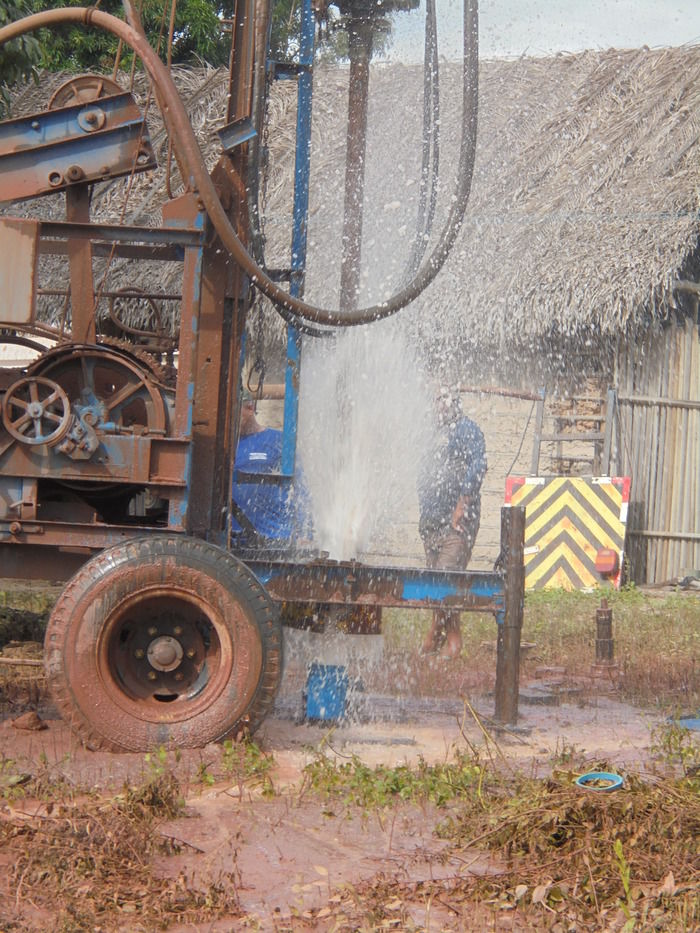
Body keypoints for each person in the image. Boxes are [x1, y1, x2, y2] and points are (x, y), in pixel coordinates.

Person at [417, 387, 487, 659]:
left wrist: (462, 503)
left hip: (458, 522)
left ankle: (450, 640)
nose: (441, 406)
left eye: (446, 400)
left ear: (456, 403)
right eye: (437, 400)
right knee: (438, 584)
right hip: (432, 523)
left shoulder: (466, 429)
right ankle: (437, 633)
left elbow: (478, 465)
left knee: (446, 576)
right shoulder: (429, 435)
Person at [231, 387, 311, 549]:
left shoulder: (278, 440)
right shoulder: (228, 445)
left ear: (250, 408)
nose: (230, 420)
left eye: (234, 413)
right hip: (234, 538)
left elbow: (300, 487)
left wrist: (305, 532)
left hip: (273, 537)